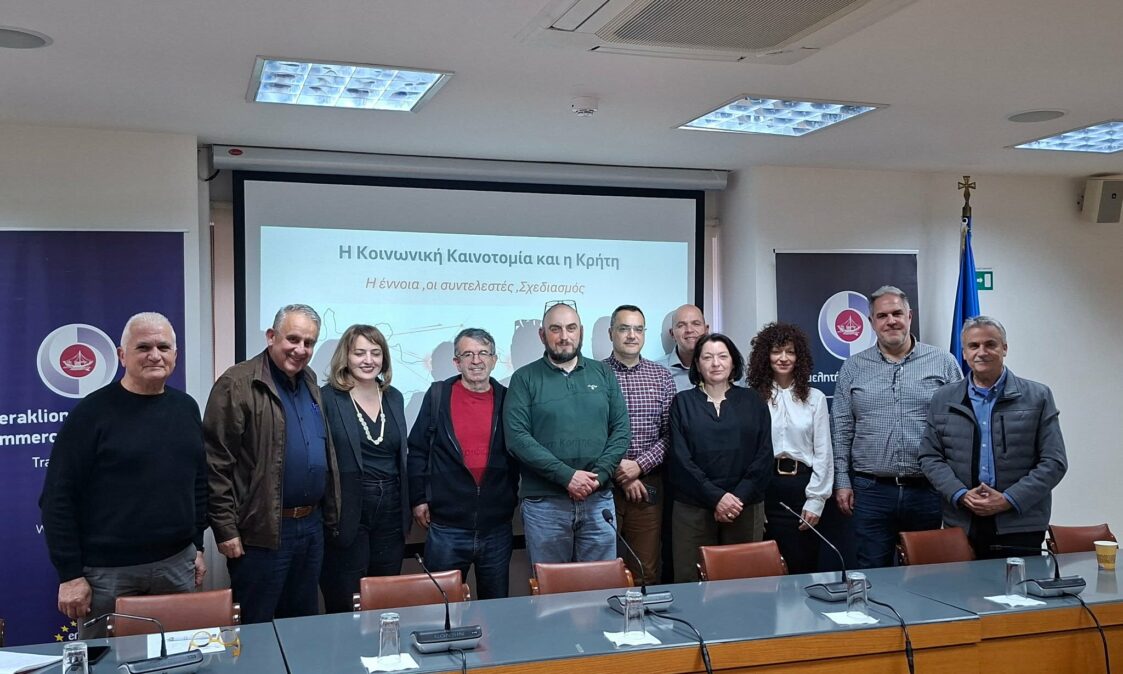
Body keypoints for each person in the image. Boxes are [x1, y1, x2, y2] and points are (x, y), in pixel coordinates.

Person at [40, 312, 206, 637]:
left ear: (175, 354)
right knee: (105, 660)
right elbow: (57, 498)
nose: (155, 355)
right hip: (107, 575)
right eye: (143, 347)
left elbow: (198, 480)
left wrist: (197, 545)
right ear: (121, 355)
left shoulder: (186, 408)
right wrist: (70, 575)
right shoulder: (90, 414)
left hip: (177, 566)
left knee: (179, 658)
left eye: (163, 347)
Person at [204, 304, 340, 623]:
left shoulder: (309, 380)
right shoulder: (238, 383)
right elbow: (215, 463)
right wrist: (225, 529)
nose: (300, 349)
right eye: (293, 339)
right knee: (258, 626)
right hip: (262, 531)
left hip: (310, 527)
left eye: (309, 343)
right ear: (271, 336)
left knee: (302, 623)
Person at [832, 286, 963, 569]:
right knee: (872, 570)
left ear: (909, 316)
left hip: (927, 489)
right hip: (871, 490)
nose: (890, 321)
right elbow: (842, 428)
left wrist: (955, 483)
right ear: (871, 322)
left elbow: (960, 426)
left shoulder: (943, 363)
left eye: (897, 313)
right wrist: (842, 480)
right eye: (882, 316)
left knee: (925, 571)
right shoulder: (853, 367)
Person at [919, 316, 1067, 559]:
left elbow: (1054, 462)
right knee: (960, 585)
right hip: (962, 522)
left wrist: (1009, 499)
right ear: (964, 353)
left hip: (1020, 523)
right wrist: (960, 494)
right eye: (973, 346)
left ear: (1004, 348)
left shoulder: (1038, 396)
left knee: (1019, 584)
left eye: (990, 344)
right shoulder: (944, 398)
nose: (982, 352)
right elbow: (929, 457)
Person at [503, 301, 631, 566]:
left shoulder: (603, 373)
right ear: (542, 335)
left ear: (580, 331)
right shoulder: (524, 378)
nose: (564, 336)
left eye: (571, 328)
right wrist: (567, 476)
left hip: (598, 501)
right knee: (551, 587)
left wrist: (598, 477)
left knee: (600, 584)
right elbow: (517, 438)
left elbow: (621, 430)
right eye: (556, 329)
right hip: (545, 505)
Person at [408, 328, 518, 599]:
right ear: (456, 362)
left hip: (496, 527)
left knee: (496, 607)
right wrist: (419, 499)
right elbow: (418, 450)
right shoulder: (437, 396)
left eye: (483, 353)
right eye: (467, 354)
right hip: (447, 528)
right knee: (441, 607)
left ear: (494, 360)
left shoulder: (509, 399)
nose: (476, 360)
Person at [316, 324, 411, 612]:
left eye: (375, 353)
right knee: (345, 601)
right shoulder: (328, 397)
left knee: (384, 599)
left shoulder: (393, 396)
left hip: (391, 510)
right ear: (346, 356)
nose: (368, 360)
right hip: (348, 510)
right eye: (359, 353)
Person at [668, 333, 773, 582]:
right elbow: (680, 459)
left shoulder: (753, 400)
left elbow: (764, 455)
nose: (716, 363)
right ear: (697, 364)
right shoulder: (682, 403)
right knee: (691, 581)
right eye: (707, 357)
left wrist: (736, 499)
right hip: (693, 508)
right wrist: (716, 498)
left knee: (743, 581)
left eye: (722, 356)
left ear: (733, 362)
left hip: (744, 505)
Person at [747, 322, 833, 574]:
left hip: (802, 488)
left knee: (802, 565)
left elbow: (823, 453)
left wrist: (816, 500)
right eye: (776, 351)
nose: (783, 358)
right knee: (765, 569)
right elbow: (747, 452)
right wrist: (753, 499)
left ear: (799, 357)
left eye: (790, 352)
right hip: (764, 487)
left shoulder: (815, 398)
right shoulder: (752, 398)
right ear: (765, 356)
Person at [603, 305, 676, 585]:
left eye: (637, 329)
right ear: (611, 333)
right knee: (600, 570)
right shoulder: (594, 375)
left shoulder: (661, 376)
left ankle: (641, 616)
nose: (631, 335)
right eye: (624, 328)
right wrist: (620, 470)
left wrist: (638, 467)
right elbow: (590, 432)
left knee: (645, 572)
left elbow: (671, 434)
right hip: (603, 485)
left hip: (648, 487)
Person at [657, 304, 710, 392]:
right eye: (681, 325)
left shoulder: (721, 367)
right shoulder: (655, 371)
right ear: (672, 334)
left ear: (706, 330)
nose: (689, 330)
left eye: (696, 324)